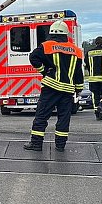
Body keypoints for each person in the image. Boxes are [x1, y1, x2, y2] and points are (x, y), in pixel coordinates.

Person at [25, 20, 84, 152]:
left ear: (51, 33)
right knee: (64, 118)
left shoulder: (46, 45)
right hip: (68, 90)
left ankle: (36, 144)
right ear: (66, 34)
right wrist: (79, 88)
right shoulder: (77, 51)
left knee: (42, 115)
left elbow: (33, 57)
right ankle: (60, 145)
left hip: (50, 88)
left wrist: (44, 71)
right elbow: (78, 73)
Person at [84, 36, 102, 120]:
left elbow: (86, 65)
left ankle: (98, 114)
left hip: (93, 79)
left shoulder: (89, 52)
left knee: (95, 96)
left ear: (95, 42)